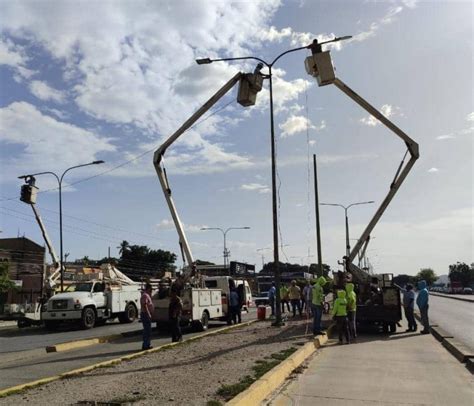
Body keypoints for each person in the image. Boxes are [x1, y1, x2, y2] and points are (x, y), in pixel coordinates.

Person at [140, 283, 154, 350]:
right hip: (145, 314)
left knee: (148, 330)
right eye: (151, 289)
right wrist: (148, 314)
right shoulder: (145, 295)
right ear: (148, 288)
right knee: (147, 330)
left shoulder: (147, 295)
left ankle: (147, 344)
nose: (151, 290)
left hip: (146, 314)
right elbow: (145, 305)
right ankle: (146, 345)